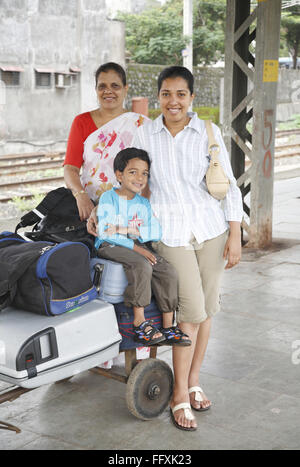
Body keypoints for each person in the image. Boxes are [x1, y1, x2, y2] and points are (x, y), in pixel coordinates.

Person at [128, 66, 243, 431]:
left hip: (210, 230)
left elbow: (228, 183)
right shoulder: (146, 134)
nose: (173, 101)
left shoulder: (208, 132)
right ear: (158, 97)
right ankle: (178, 395)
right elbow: (133, 180)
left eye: (180, 94)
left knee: (207, 310)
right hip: (171, 234)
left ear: (192, 97)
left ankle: (193, 380)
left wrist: (235, 233)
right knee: (190, 311)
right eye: (166, 94)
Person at [95, 147, 191, 347]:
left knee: (167, 270)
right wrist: (136, 245)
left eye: (144, 173)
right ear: (119, 174)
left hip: (134, 244)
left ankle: (167, 326)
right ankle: (140, 323)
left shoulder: (143, 203)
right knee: (142, 265)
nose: (140, 177)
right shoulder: (108, 198)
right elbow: (106, 232)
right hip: (109, 244)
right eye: (133, 172)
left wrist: (127, 229)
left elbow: (155, 232)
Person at [63, 62, 149, 219]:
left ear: (125, 89)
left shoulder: (140, 124)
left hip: (131, 208)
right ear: (96, 90)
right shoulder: (82, 122)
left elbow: (152, 172)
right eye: (102, 86)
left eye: (115, 86)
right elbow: (70, 168)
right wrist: (80, 195)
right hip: (91, 207)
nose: (108, 91)